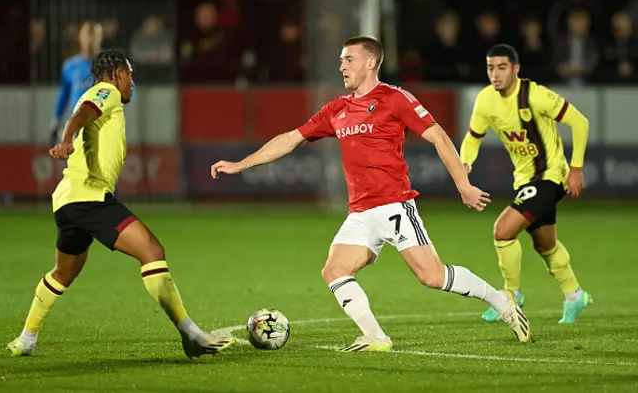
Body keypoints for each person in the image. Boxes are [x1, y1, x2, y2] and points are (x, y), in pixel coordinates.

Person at [211, 36, 531, 352]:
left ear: (371, 62)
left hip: (394, 205)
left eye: (348, 60)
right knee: (334, 270)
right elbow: (291, 138)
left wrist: (463, 184)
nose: (342, 66)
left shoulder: (395, 98)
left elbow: (439, 137)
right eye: (340, 60)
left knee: (432, 276)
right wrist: (243, 164)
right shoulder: (338, 109)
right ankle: (376, 338)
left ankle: (501, 301)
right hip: (360, 212)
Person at [7, 50, 235, 358]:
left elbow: (84, 115)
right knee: (152, 251)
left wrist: (71, 138)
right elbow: (83, 113)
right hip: (89, 198)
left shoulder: (105, 98)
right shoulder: (107, 91)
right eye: (130, 75)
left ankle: (26, 338)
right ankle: (191, 335)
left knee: (63, 273)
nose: (132, 83)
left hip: (69, 201)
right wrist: (67, 139)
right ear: (116, 74)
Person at [460, 44, 593, 324]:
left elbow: (580, 123)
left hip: (550, 176)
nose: (495, 74)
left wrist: (576, 169)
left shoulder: (535, 95)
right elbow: (473, 137)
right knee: (545, 244)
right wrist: (465, 163)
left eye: (502, 67)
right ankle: (574, 294)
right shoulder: (485, 100)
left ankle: (511, 295)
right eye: (490, 68)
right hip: (524, 181)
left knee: (503, 230)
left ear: (516, 69)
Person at [50, 21, 103, 145]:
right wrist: (55, 122)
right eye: (87, 34)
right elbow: (64, 96)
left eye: (93, 35)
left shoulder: (107, 64)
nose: (89, 39)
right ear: (80, 37)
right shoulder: (71, 67)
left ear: (99, 38)